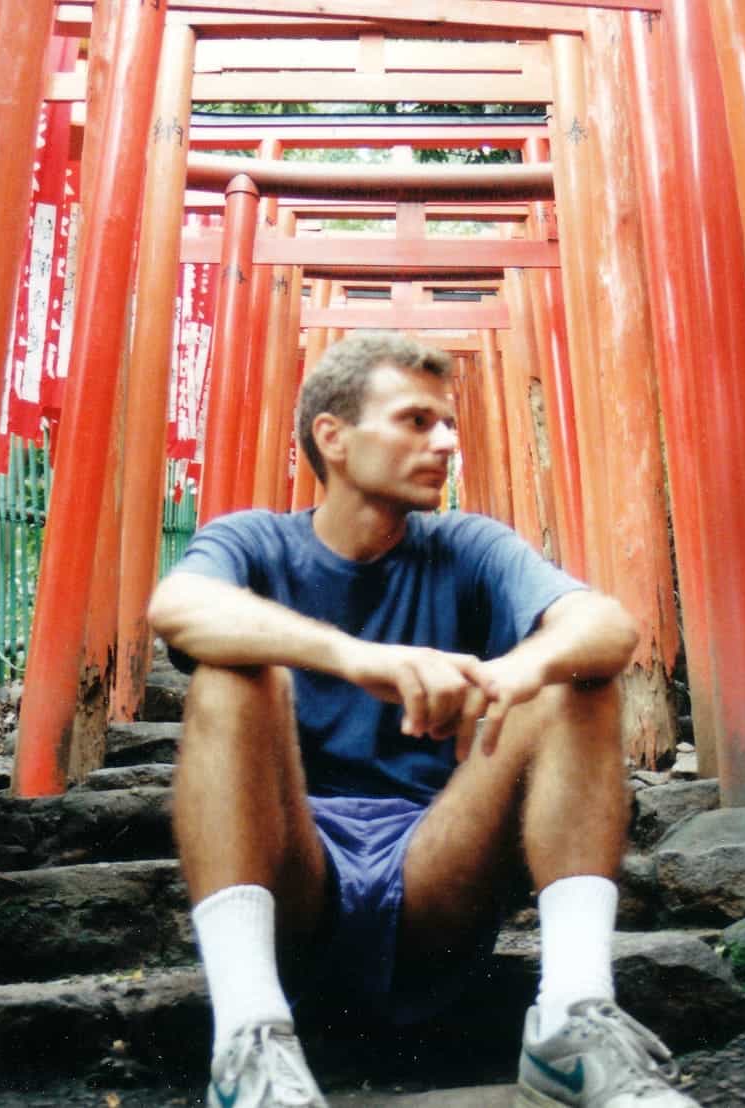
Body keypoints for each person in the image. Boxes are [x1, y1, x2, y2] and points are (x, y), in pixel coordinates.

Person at [148, 332, 698, 1108]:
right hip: (293, 876)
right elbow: (176, 608)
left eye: (447, 424)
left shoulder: (465, 546)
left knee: (575, 678)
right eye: (415, 421)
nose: (444, 442)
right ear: (332, 438)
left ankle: (573, 1021)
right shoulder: (253, 541)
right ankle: (248, 1044)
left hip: (435, 868)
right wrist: (355, 657)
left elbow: (605, 624)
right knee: (236, 674)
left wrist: (516, 670)